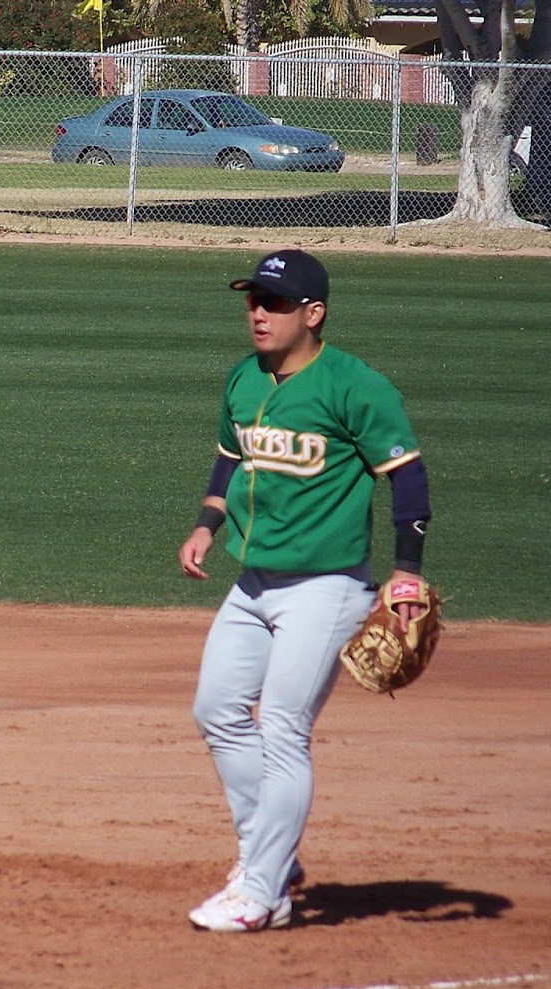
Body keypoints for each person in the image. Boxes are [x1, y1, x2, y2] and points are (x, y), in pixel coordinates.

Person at [178, 250, 432, 931]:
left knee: (284, 730)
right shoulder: (243, 379)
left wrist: (406, 569)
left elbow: (406, 476)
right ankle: (273, 854)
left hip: (326, 590)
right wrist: (207, 524)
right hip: (254, 581)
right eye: (253, 300)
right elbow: (229, 459)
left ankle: (260, 894)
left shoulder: (355, 386)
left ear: (313, 314)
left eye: (276, 303)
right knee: (218, 712)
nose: (259, 313)